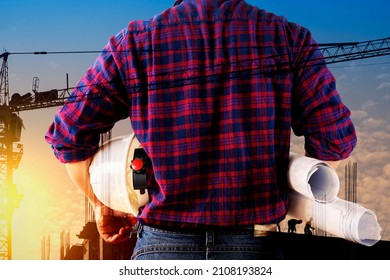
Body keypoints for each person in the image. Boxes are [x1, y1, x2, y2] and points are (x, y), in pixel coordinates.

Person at [45, 0, 357, 260]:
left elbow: (67, 137)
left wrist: (105, 204)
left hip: (161, 248)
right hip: (256, 249)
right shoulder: (290, 38)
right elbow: (335, 142)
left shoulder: (134, 42)